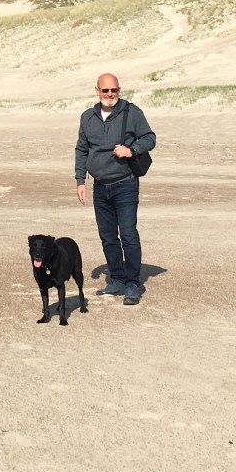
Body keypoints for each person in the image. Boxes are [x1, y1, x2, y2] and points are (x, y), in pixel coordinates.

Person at [75, 73, 155, 306]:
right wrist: (80, 180)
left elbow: (150, 138)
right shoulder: (87, 117)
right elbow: (81, 149)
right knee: (108, 237)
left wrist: (132, 150)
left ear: (119, 90)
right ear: (97, 91)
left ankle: (132, 283)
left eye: (114, 90)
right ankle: (117, 279)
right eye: (105, 90)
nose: (110, 94)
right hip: (100, 186)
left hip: (125, 184)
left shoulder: (132, 113)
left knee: (128, 235)